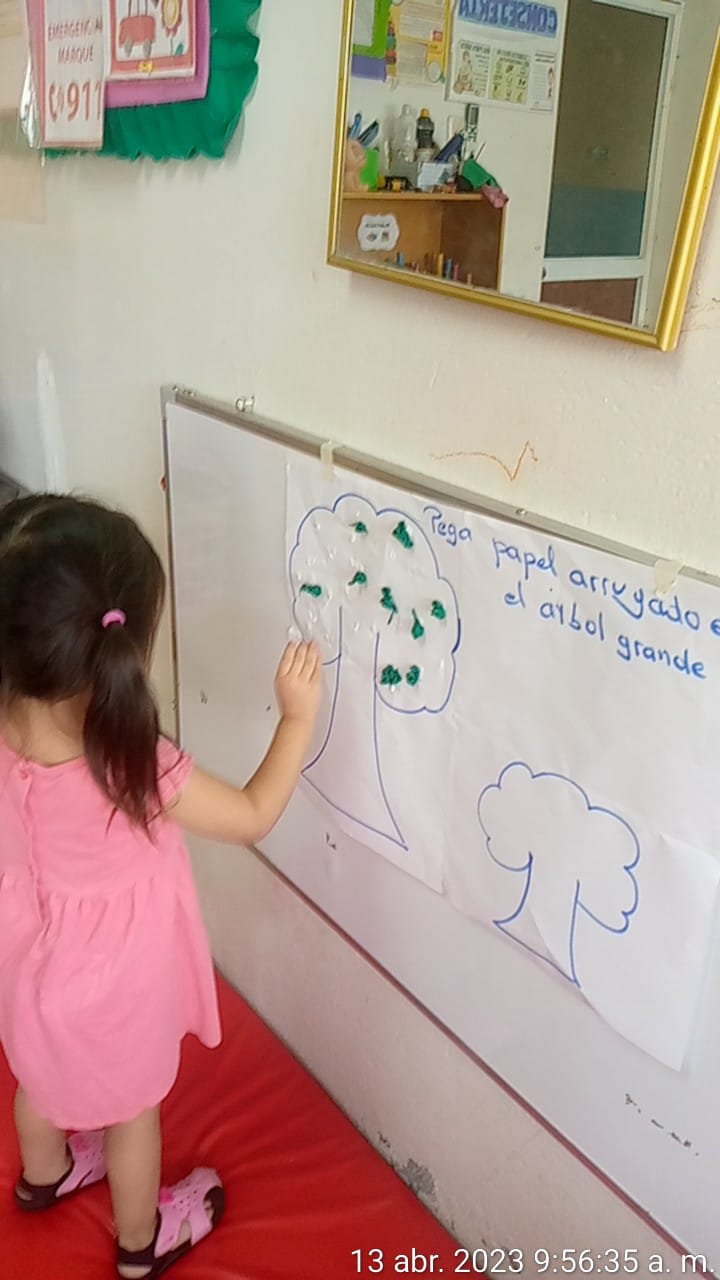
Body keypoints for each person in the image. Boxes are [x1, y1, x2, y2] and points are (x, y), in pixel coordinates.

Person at [0, 493, 322, 1278]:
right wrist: (295, 720)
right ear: (127, 645)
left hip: (25, 960)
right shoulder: (134, 763)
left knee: (36, 1072)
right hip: (111, 985)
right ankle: (141, 1243)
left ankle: (43, 1176)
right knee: (131, 1112)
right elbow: (252, 814)